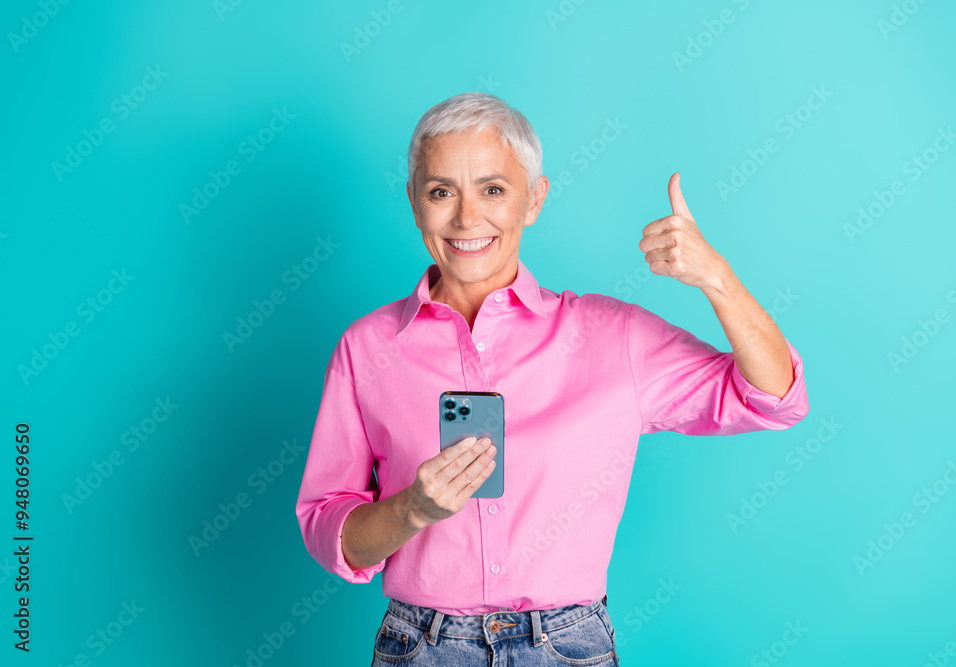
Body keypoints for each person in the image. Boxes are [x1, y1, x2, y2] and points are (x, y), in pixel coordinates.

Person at [295, 91, 809, 666]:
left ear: (533, 199)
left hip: (565, 648)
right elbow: (328, 529)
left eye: (493, 189)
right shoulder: (366, 348)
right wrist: (412, 509)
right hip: (421, 647)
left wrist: (718, 279)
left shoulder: (612, 337)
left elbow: (772, 398)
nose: (467, 218)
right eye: (442, 192)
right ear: (415, 203)